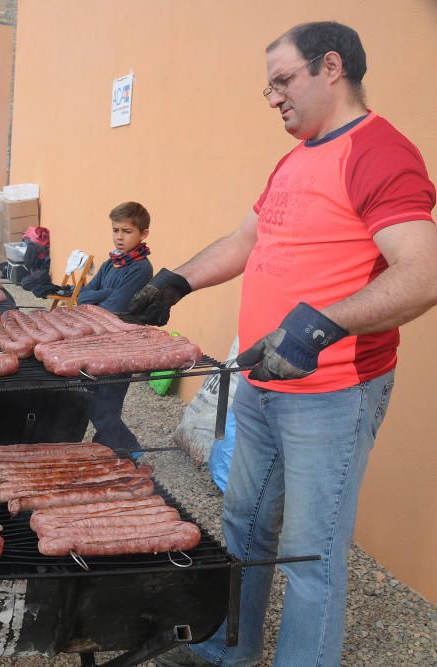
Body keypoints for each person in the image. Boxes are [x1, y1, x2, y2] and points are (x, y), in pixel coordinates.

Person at [131, 23, 437, 667]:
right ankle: (227, 652)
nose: (272, 97)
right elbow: (248, 242)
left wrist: (319, 326)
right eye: (267, 86)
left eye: (282, 80)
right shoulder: (295, 158)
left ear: (331, 67)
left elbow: (424, 273)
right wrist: (175, 280)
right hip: (262, 383)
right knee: (243, 529)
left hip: (333, 393)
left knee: (311, 556)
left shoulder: (379, 152)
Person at [77, 202, 154, 455]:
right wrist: (107, 293)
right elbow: (82, 297)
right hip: (100, 341)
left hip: (121, 347)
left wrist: (101, 296)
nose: (119, 237)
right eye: (115, 230)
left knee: (105, 404)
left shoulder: (141, 268)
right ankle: (108, 446)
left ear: (143, 234)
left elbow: (113, 308)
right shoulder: (111, 263)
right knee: (96, 399)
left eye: (127, 231)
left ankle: (128, 449)